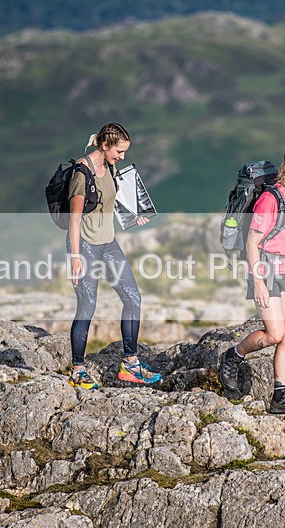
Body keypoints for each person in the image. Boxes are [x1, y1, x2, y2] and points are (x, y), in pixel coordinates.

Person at [218, 145, 285, 415]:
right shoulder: (269, 200)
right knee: (274, 334)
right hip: (265, 269)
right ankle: (233, 356)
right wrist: (257, 282)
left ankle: (281, 395)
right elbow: (252, 242)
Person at [66, 122, 161, 389]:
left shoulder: (109, 165)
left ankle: (130, 365)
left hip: (109, 243)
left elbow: (112, 198)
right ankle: (78, 370)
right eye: (119, 151)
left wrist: (133, 215)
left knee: (133, 298)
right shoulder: (81, 174)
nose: (122, 157)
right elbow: (74, 221)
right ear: (105, 145)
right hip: (85, 245)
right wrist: (75, 257)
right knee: (87, 306)